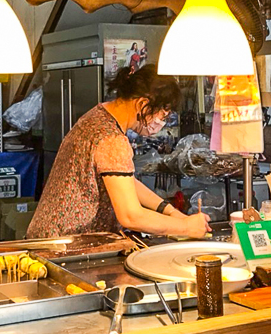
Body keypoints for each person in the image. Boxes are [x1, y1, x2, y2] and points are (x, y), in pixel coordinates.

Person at [27, 65, 210, 239]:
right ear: (142, 104)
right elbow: (131, 216)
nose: (161, 123)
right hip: (64, 244)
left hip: (49, 235)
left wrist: (170, 212)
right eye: (163, 115)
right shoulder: (112, 139)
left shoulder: (98, 116)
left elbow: (123, 181)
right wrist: (186, 227)